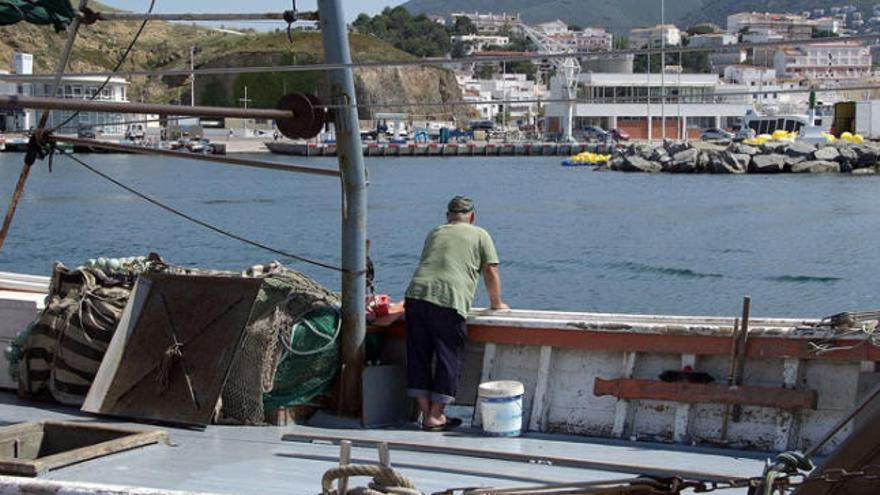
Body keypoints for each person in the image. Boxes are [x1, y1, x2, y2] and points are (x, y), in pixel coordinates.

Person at [405, 195, 509, 431]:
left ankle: (424, 413)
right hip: (448, 299)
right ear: (472, 216)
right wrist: (497, 303)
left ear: (448, 216)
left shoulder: (436, 232)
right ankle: (435, 416)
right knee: (448, 356)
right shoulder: (480, 234)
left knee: (418, 356)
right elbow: (490, 271)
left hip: (415, 296)